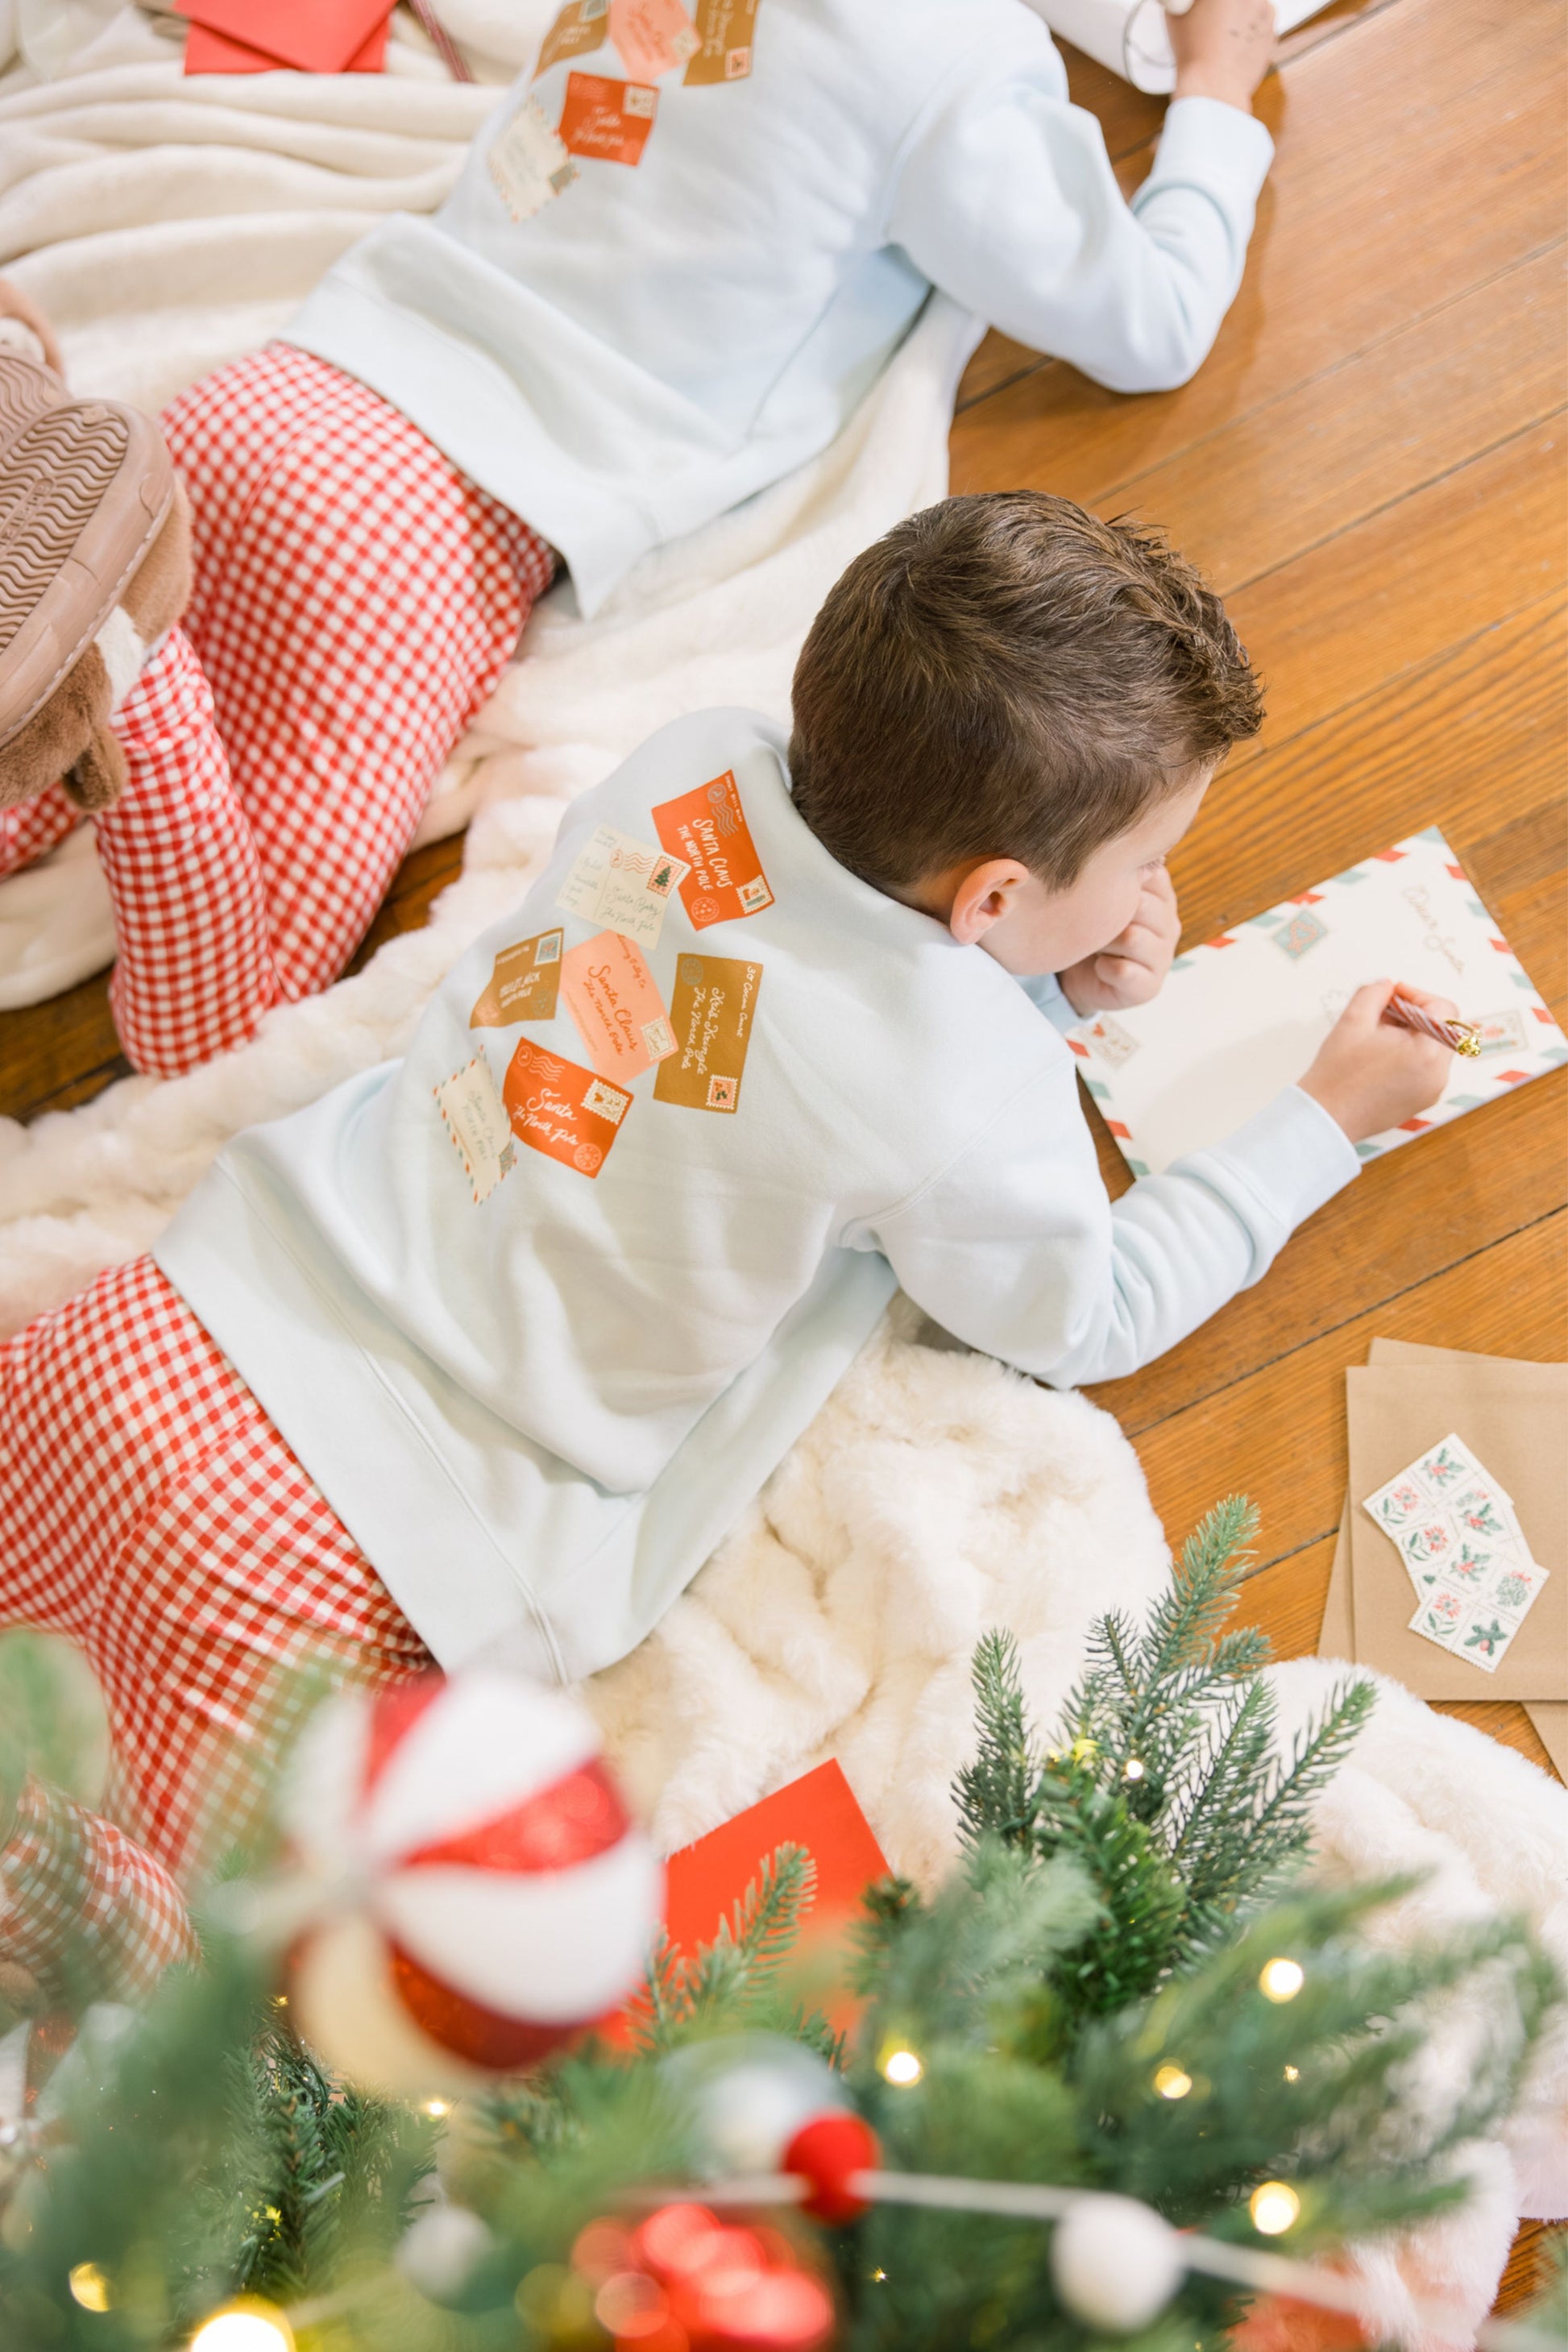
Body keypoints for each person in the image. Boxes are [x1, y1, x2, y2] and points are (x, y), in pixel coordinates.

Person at [0, 491, 1456, 1996]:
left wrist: (1039, 979)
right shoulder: (960, 1082)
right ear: (1000, 895)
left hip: (162, 1330)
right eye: (1146, 861)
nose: (1153, 893)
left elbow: (768, 1020)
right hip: (339, 1532)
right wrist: (1322, 1121)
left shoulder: (691, 759)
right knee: (163, 1975)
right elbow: (1084, 1314)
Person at [0, 0, 1277, 1076]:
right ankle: (146, 688)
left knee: (26, 725)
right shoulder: (954, 64)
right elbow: (1149, 325)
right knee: (222, 1030)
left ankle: (107, 633)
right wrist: (1218, 88)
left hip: (281, 394)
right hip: (417, 525)